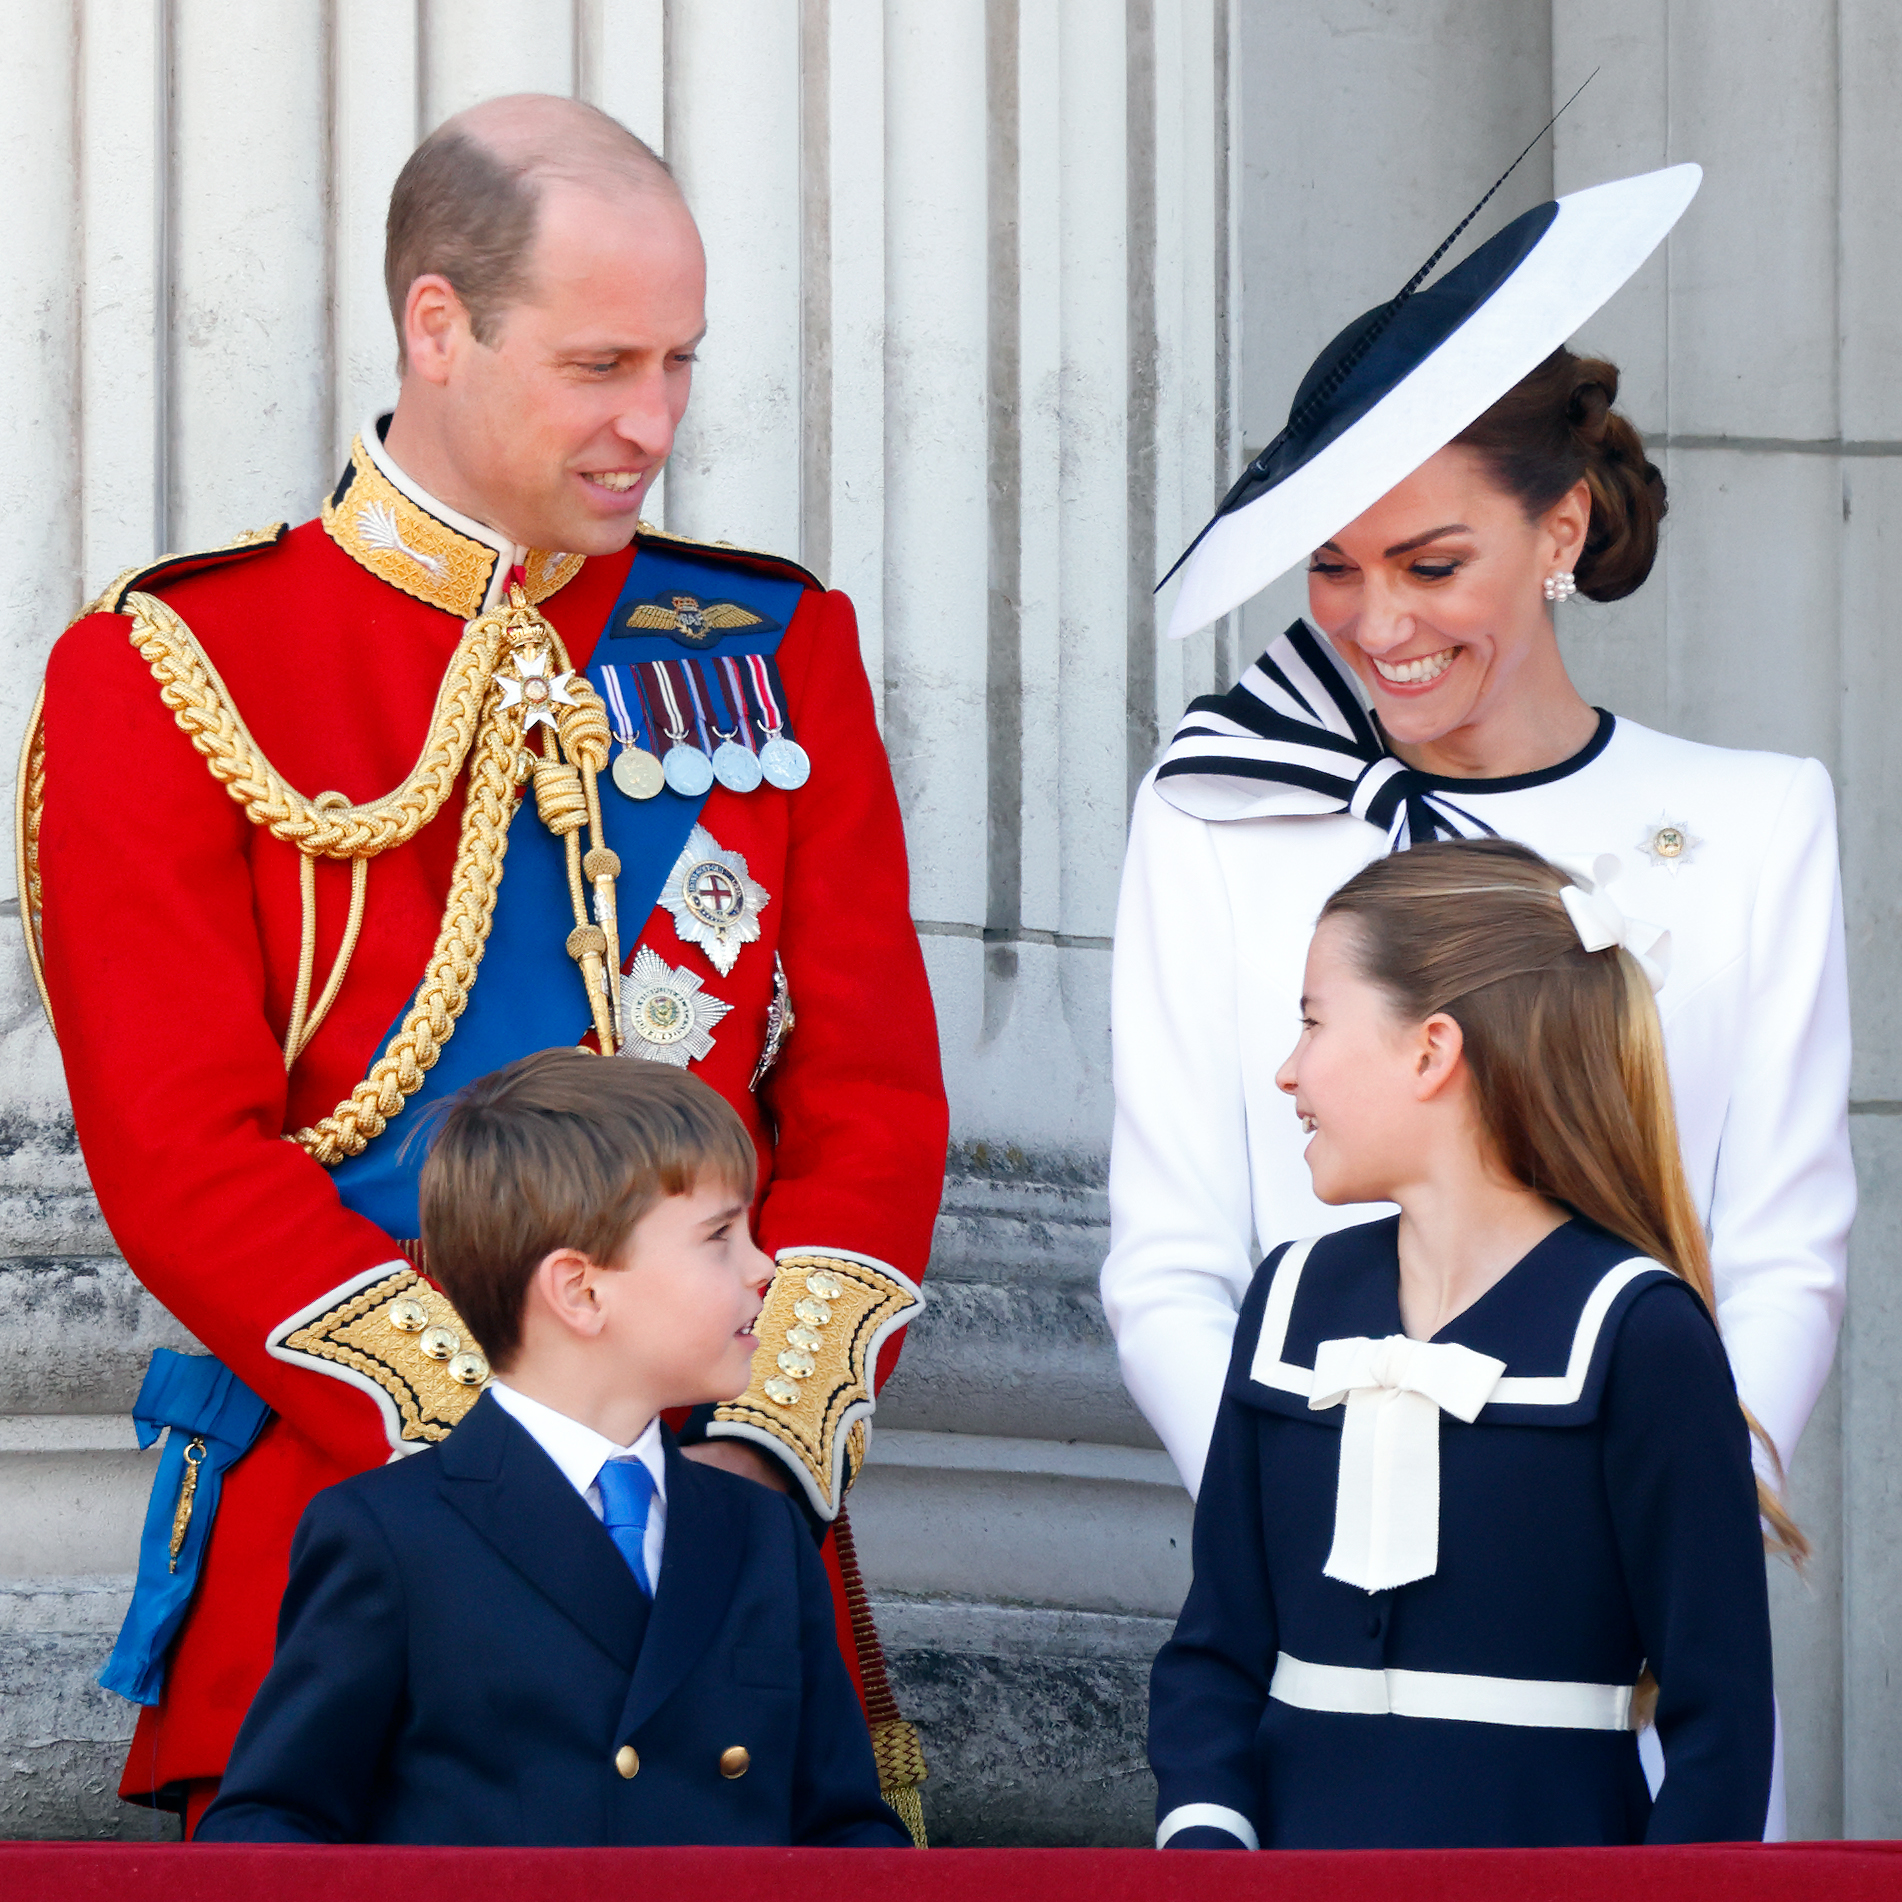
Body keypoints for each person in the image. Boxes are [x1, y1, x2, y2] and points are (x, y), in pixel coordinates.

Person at [23, 93, 946, 1835]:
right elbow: (177, 1154)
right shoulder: (169, 669)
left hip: (718, 1555)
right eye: (603, 365)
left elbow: (875, 1102)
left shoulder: (774, 647)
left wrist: (760, 1448)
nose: (653, 422)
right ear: (435, 326)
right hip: (349, 1543)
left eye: (678, 363)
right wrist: (497, 1450)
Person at [1102, 164, 1848, 1833]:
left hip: (1626, 1669)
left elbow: (1782, 1241)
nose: (1377, 621)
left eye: (1431, 561)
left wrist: (1641, 1521)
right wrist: (1303, 1503)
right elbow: (1168, 1254)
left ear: (1560, 529)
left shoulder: (1752, 823)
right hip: (1324, 1661)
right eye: (1335, 568)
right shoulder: (1216, 811)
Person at [1148, 840, 1779, 1849]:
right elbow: (1216, 1653)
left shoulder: (1641, 1331)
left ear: (1431, 1051)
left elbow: (1723, 1731)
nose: (1287, 1068)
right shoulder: (1290, 1300)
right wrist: (1207, 1840)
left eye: (1312, 1021)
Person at [196, 1052, 908, 1847]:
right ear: (580, 1290)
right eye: (718, 1237)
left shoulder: (762, 1533)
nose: (764, 1266)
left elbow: (845, 1833)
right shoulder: (391, 1535)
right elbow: (272, 1827)